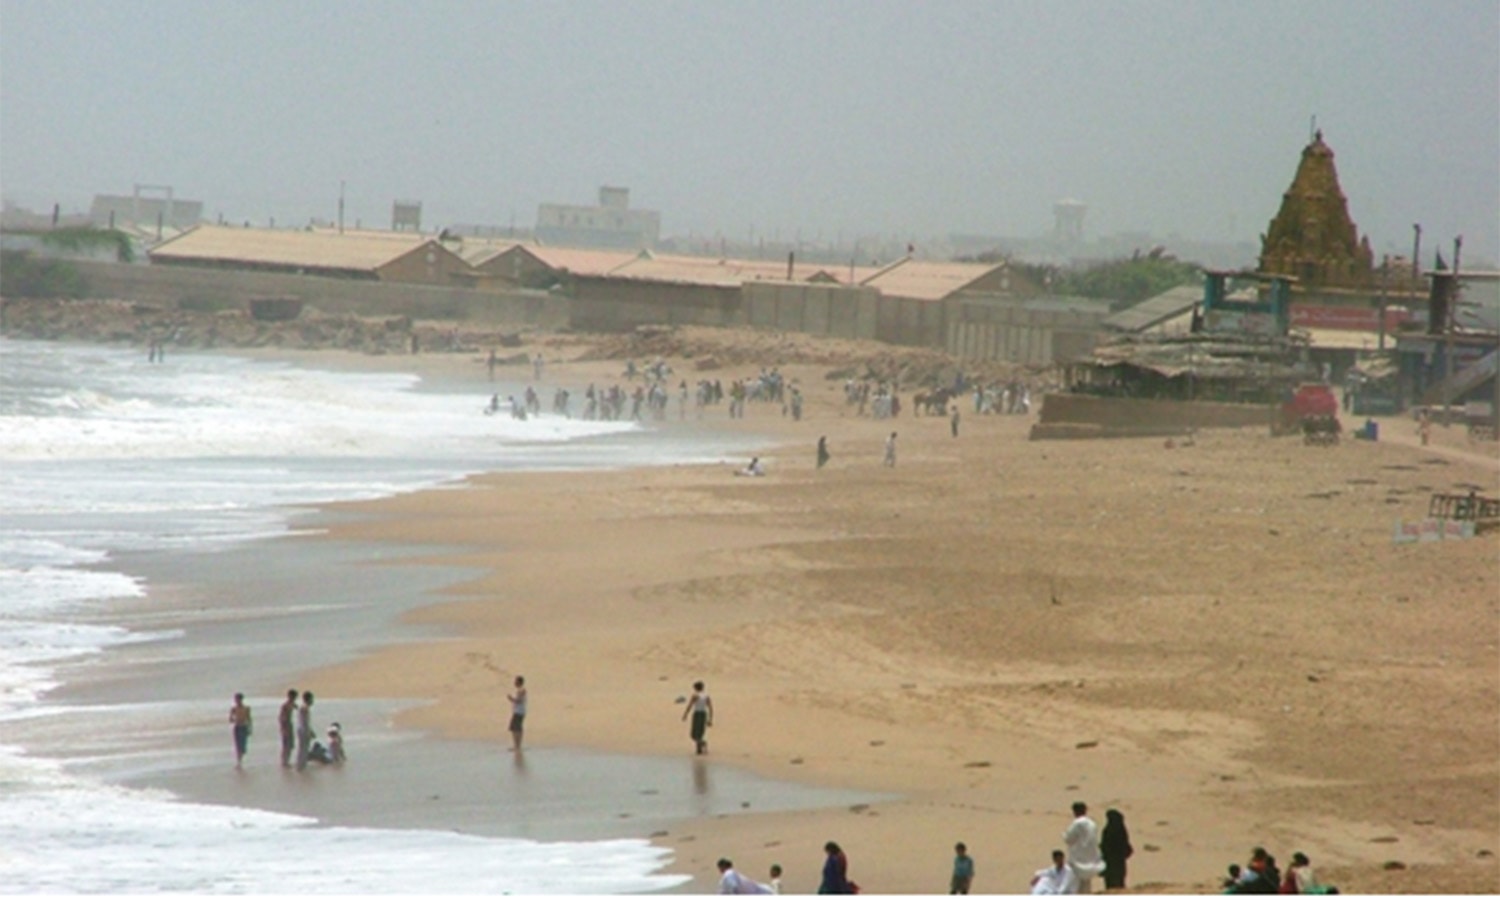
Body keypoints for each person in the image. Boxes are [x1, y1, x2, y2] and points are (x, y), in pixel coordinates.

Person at [1063, 802, 1105, 893]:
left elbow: (1068, 838)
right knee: (1086, 882)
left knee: (1075, 883)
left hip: (1078, 856)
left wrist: (1064, 835)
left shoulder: (1077, 823)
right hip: (1090, 855)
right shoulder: (1092, 823)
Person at [1100, 808, 1133, 890]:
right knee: (1119, 881)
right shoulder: (1122, 830)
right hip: (1119, 861)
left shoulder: (1107, 830)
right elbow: (1126, 846)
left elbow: (1105, 846)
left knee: (1110, 883)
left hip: (1110, 861)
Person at [682, 681, 714, 754]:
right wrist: (710, 718)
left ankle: (702, 743)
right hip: (703, 714)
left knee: (694, 734)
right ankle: (699, 749)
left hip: (697, 714)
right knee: (699, 732)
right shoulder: (706, 696)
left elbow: (690, 705)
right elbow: (710, 707)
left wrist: (685, 714)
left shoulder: (695, 696)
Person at [228, 693, 252, 769]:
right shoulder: (233, 709)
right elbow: (230, 719)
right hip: (237, 727)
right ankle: (239, 762)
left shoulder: (246, 708)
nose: (237, 701)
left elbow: (249, 719)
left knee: (243, 745)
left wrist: (250, 728)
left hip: (243, 727)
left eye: (238, 699)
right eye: (236, 699)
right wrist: (234, 719)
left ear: (241, 700)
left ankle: (240, 759)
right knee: (238, 745)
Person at [278, 688, 298, 768]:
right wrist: (283, 728)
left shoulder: (292, 704)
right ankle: (284, 762)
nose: (294, 699)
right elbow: (281, 717)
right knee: (286, 744)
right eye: (293, 697)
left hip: (289, 724)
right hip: (285, 725)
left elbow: (298, 708)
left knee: (290, 745)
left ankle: (286, 761)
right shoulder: (285, 706)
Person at [295, 690, 315, 771]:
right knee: (303, 749)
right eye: (312, 699)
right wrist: (309, 732)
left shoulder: (303, 708)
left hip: (302, 730)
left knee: (303, 749)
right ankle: (300, 767)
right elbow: (305, 723)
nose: (313, 701)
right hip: (303, 731)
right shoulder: (305, 708)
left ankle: (300, 766)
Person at [508, 675, 527, 752]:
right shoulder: (520, 690)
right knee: (514, 728)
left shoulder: (522, 690)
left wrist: (511, 699)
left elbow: (519, 700)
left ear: (519, 682)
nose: (514, 683)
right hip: (518, 711)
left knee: (517, 728)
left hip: (519, 712)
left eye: (516, 681)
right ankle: (516, 745)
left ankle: (517, 746)